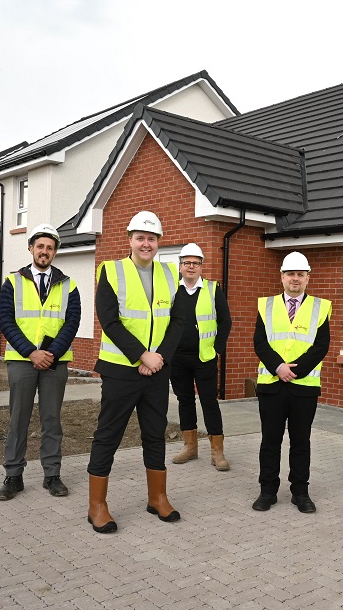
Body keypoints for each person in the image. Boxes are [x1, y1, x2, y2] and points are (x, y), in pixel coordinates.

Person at [86, 210, 185, 533]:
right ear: (129, 240)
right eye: (141, 238)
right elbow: (109, 321)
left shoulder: (171, 274)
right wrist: (141, 355)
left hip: (157, 370)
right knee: (108, 435)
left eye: (152, 238)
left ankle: (157, 497)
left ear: (159, 242)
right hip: (120, 370)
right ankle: (97, 506)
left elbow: (179, 320)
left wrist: (158, 358)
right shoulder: (111, 271)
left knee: (154, 433)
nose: (146, 243)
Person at [0, 224, 81, 501]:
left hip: (55, 361)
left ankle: (52, 475)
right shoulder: (13, 282)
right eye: (40, 246)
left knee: (52, 419)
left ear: (56, 252)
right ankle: (13, 476)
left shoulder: (70, 284)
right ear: (31, 248)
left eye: (50, 247)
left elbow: (72, 323)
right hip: (22, 360)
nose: (45, 251)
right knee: (18, 418)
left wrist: (51, 353)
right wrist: (31, 352)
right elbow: (6, 321)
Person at [252, 251, 331, 514]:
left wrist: (294, 371)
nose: (294, 279)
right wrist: (278, 367)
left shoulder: (321, 307)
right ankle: (267, 491)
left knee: (301, 441)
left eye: (300, 274)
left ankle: (300, 492)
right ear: (282, 276)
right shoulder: (266, 305)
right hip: (272, 385)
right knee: (270, 441)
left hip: (303, 386)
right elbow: (260, 342)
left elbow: (321, 346)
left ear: (308, 277)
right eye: (290, 274)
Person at [170, 243, 233, 471]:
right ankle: (190, 447)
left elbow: (225, 321)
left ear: (201, 266)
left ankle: (217, 452)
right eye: (187, 263)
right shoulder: (171, 290)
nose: (191, 267)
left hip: (205, 357)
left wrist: (218, 347)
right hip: (177, 358)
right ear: (180, 266)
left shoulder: (212, 289)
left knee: (209, 402)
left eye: (195, 263)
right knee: (184, 401)